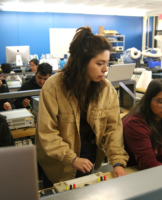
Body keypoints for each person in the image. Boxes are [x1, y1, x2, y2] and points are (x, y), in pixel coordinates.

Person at [36, 27, 129, 188]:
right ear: (81, 61)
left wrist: (118, 162)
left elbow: (113, 129)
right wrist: (71, 158)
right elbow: (46, 132)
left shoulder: (107, 90)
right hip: (59, 162)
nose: (105, 69)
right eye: (100, 63)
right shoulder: (53, 87)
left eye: (107, 63)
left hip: (89, 156)